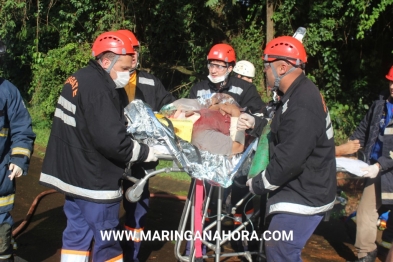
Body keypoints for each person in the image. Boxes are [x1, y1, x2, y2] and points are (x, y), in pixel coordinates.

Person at [39, 31, 157, 262]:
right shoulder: (99, 89)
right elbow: (113, 142)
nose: (127, 74)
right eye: (124, 69)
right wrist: (146, 152)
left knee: (76, 236)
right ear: (106, 61)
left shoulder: (80, 78)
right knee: (108, 243)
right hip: (95, 182)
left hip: (74, 178)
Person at [239, 36, 337, 261]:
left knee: (280, 248)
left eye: (266, 66)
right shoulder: (295, 94)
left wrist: (258, 183)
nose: (265, 72)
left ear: (282, 67)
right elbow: (284, 128)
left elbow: (290, 160)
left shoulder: (303, 102)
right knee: (277, 247)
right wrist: (256, 123)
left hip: (305, 193)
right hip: (301, 186)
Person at [188, 43, 266, 254]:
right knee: (202, 200)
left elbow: (260, 116)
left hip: (237, 156)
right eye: (211, 65)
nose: (213, 70)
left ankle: (246, 244)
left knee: (243, 198)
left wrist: (246, 118)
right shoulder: (199, 88)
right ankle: (196, 246)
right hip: (204, 156)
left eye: (219, 66)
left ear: (230, 67)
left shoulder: (245, 89)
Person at [115, 29, 176, 262]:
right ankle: (108, 253)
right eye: (129, 52)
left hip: (143, 157)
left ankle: (132, 256)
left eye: (136, 52)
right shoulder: (106, 81)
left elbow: (168, 106)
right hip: (113, 155)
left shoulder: (150, 80)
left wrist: (179, 110)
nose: (133, 57)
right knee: (107, 211)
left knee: (138, 209)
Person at [345, 65, 393, 262]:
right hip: (377, 169)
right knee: (366, 210)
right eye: (391, 81)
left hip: (383, 167)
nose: (392, 87)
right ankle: (366, 253)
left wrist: (380, 165)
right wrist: (348, 148)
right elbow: (364, 129)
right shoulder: (380, 104)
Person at [0, 39, 35, 262]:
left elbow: (22, 127)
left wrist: (19, 158)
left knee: (1, 233)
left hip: (0, 174)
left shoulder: (8, 91)